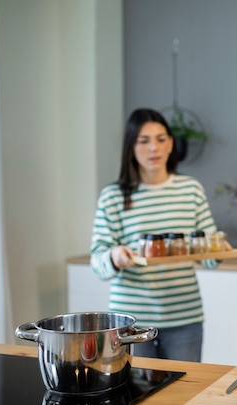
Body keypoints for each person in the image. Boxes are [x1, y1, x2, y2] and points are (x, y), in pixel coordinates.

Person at [90, 108, 220, 362]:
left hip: (185, 318)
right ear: (131, 147)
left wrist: (219, 248)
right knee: (133, 397)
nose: (154, 148)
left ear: (171, 144)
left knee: (183, 393)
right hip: (130, 323)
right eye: (144, 141)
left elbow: (209, 257)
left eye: (161, 139)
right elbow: (98, 263)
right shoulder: (113, 196)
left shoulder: (190, 190)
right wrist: (114, 255)